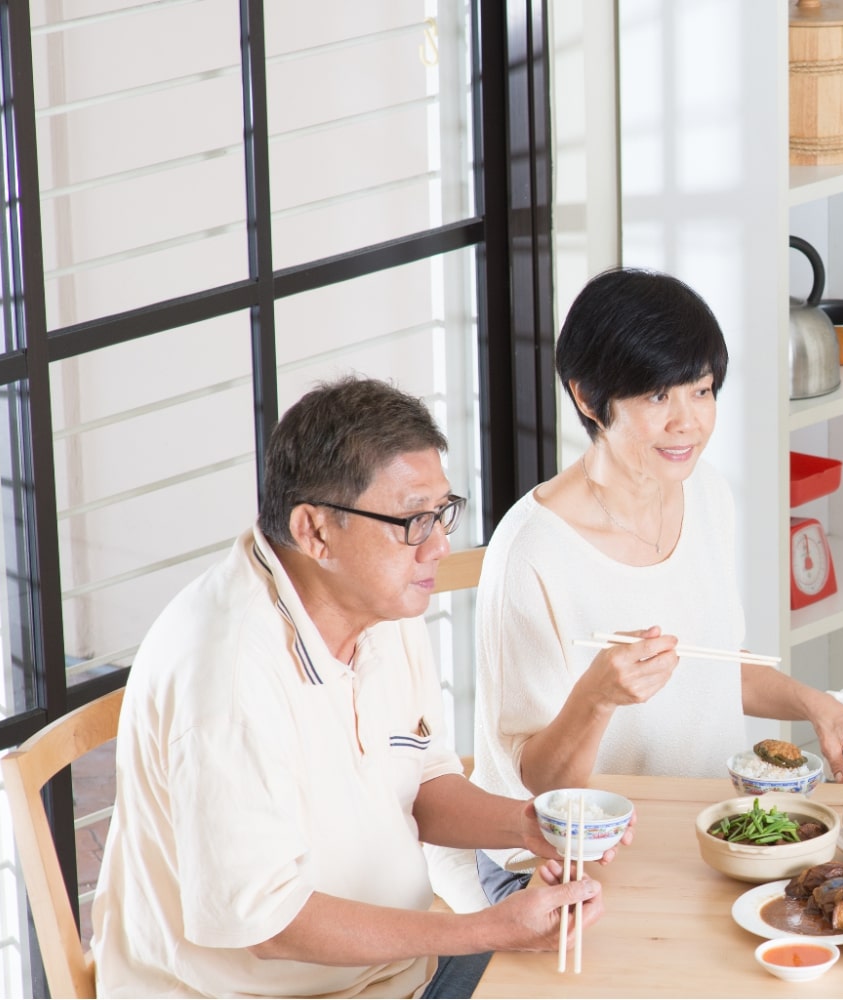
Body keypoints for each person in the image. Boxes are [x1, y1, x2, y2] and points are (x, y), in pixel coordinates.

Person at [90, 378, 602, 999]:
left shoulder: (380, 608)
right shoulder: (227, 674)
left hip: (395, 976)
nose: (440, 545)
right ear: (315, 531)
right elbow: (268, 923)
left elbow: (421, 784)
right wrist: (481, 929)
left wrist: (529, 825)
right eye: (414, 520)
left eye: (443, 512)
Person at [462, 269, 843, 903]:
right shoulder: (532, 553)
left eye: (702, 391)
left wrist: (827, 708)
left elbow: (714, 666)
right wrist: (598, 697)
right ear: (588, 399)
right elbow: (539, 782)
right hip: (557, 859)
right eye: (657, 398)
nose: (688, 423)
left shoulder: (705, 493)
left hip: (701, 827)